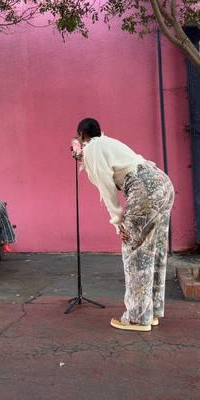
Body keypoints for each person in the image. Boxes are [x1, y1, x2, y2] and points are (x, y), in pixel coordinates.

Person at [76, 118, 175, 332]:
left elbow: (106, 187)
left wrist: (118, 223)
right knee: (154, 250)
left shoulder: (92, 147)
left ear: (82, 135)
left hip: (143, 189)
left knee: (135, 252)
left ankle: (137, 318)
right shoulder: (109, 142)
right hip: (162, 182)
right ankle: (152, 311)